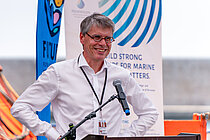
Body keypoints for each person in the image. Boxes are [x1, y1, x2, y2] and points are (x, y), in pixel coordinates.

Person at [11, 13, 158, 140]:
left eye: (108, 39)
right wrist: (53, 134)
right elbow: (20, 107)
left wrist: (125, 137)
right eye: (97, 37)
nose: (103, 44)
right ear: (82, 37)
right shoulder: (59, 72)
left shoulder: (121, 76)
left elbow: (149, 113)